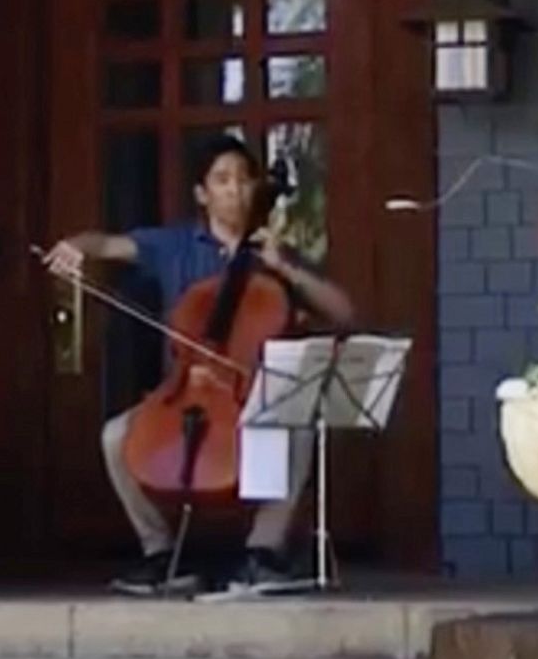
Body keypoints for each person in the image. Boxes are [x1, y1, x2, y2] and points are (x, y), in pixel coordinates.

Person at [41, 134, 355, 597]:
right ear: (202, 193)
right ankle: (163, 554)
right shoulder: (171, 245)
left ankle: (262, 553)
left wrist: (284, 269)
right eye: (222, 180)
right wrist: (74, 246)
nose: (235, 190)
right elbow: (106, 244)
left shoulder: (273, 252)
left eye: (244, 180)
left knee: (299, 426)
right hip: (184, 390)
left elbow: (343, 311)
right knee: (115, 437)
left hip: (251, 394)